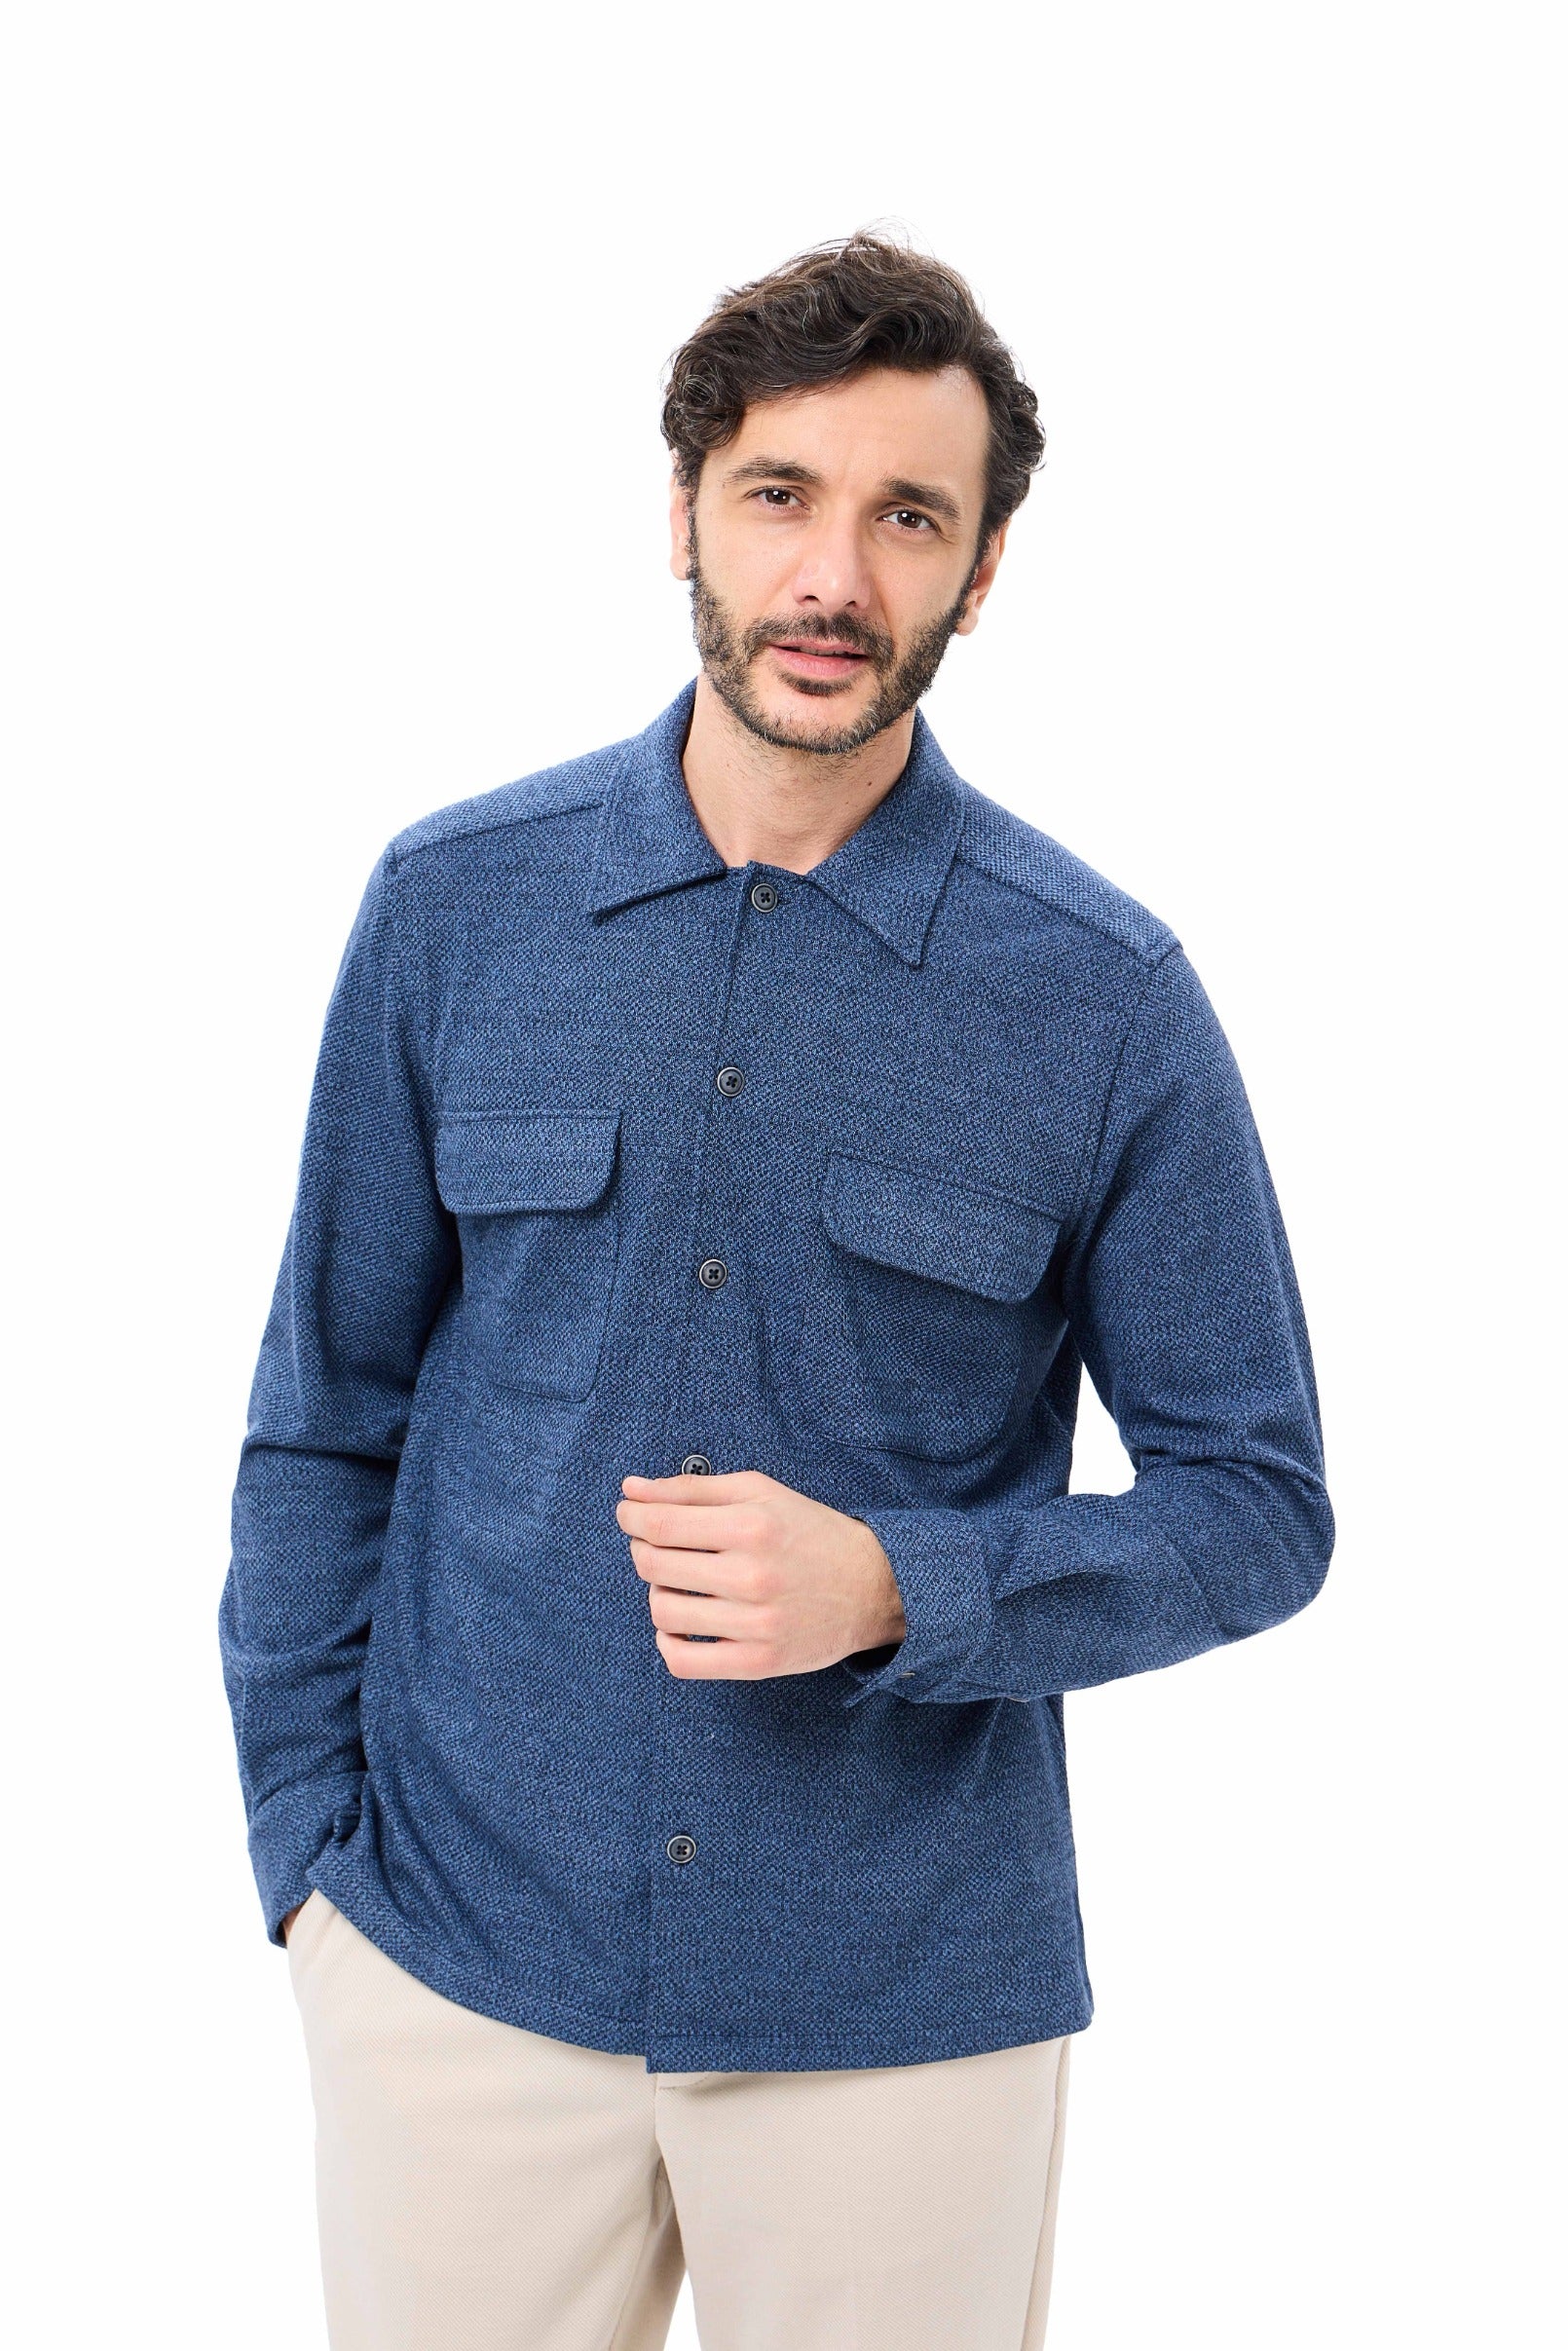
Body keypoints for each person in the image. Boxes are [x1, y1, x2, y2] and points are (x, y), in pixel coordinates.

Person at [219, 230, 1333, 2350]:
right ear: (682, 517)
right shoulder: (454, 909)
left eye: (907, 516)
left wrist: (908, 1584)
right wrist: (307, 1867)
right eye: (777, 495)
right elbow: (323, 1413)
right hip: (453, 1970)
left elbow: (1258, 1505)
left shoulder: (1104, 998)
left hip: (899, 2015)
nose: (832, 575)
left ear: (981, 571)